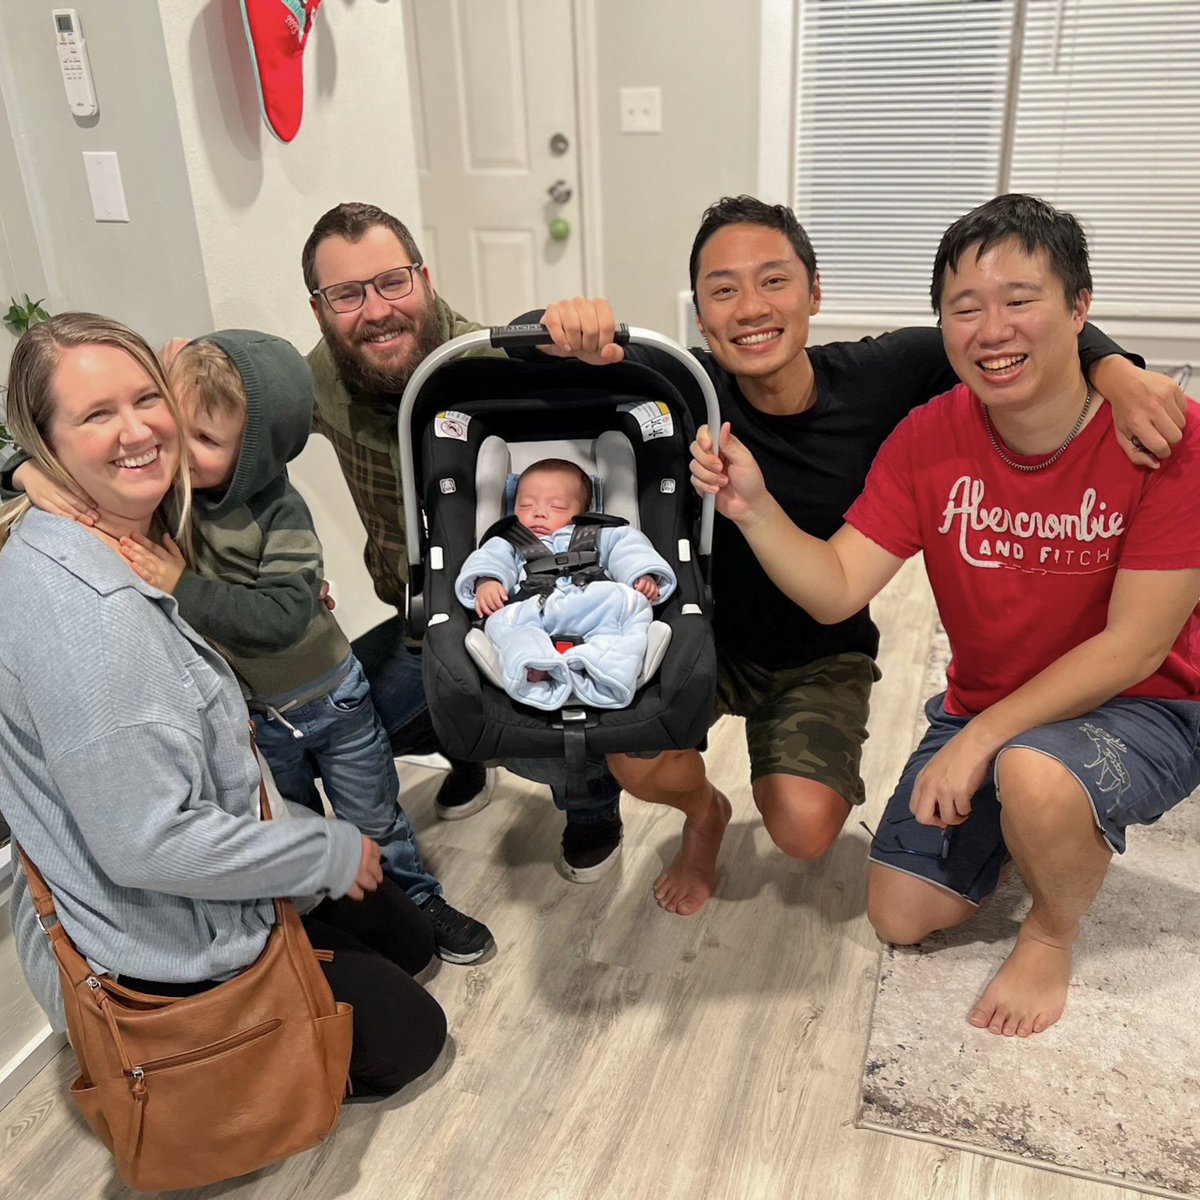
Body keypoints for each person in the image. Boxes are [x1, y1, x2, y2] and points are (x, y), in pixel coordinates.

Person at [535, 194, 1190, 917]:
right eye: (724, 290)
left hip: (821, 647)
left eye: (774, 280)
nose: (751, 307)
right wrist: (559, 333)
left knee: (806, 829)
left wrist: (1119, 372)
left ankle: (1035, 860)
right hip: (702, 639)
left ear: (816, 292)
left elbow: (1014, 332)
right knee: (632, 749)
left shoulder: (894, 375)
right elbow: (559, 394)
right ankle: (703, 816)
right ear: (700, 312)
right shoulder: (687, 392)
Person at [691, 194, 1200, 1036]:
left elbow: (1135, 646)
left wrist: (978, 739)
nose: (992, 328)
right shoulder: (929, 437)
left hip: (1149, 702)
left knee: (1034, 774)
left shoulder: (1159, 434)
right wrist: (753, 508)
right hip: (994, 700)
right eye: (966, 308)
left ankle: (1051, 929)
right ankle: (1033, 806)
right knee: (901, 912)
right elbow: (838, 587)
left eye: (1020, 300)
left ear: (1080, 307)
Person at [0, 313, 447, 1096]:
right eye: (97, 415)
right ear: (48, 440)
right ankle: (205, 1072)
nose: (138, 429)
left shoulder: (131, 522)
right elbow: (151, 846)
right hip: (160, 940)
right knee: (414, 1036)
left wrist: (22, 474)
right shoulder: (93, 624)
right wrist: (322, 849)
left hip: (227, 853)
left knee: (404, 937)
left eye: (147, 399)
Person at [116, 330, 494, 964]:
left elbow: (286, 615)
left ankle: (420, 902)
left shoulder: (279, 511)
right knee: (290, 822)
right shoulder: (167, 496)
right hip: (255, 721)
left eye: (207, 441)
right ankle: (336, 924)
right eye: (179, 428)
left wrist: (182, 584)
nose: (181, 450)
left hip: (330, 701)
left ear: (257, 453)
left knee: (375, 821)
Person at [302, 202, 625, 880]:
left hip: (524, 607)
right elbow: (240, 418)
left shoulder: (491, 363)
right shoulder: (322, 381)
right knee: (335, 729)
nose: (377, 310)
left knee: (548, 730)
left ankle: (591, 804)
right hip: (421, 619)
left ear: (424, 278)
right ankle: (463, 750)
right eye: (347, 295)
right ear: (319, 309)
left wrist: (574, 334)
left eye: (392, 281)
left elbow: (585, 392)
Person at [455, 458, 677, 710]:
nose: (538, 512)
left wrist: (642, 575)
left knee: (628, 609)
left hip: (594, 604)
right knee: (502, 623)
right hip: (535, 610)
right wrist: (487, 581)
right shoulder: (508, 541)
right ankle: (536, 664)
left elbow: (629, 550)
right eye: (526, 505)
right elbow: (489, 559)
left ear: (582, 510)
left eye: (557, 507)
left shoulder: (601, 532)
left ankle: (605, 672)